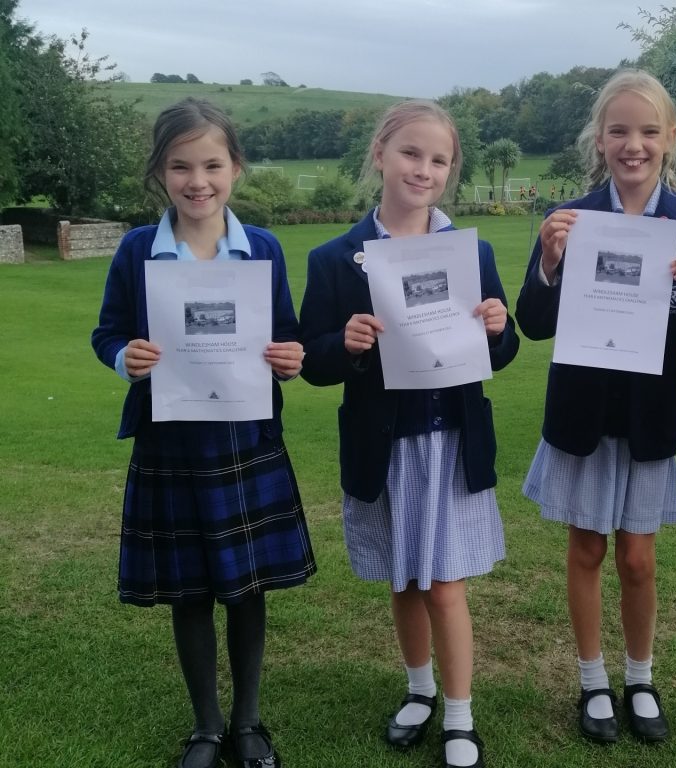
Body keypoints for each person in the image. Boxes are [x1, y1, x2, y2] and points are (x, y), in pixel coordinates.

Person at [91, 97, 316, 768]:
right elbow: (108, 332)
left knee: (245, 589)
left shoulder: (263, 248)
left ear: (236, 168)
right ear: (161, 172)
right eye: (181, 166)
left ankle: (249, 724)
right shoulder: (138, 250)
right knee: (189, 591)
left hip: (245, 442)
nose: (198, 181)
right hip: (171, 444)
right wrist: (122, 357)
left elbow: (287, 336)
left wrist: (292, 358)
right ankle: (206, 727)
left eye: (212, 165)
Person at [298, 100, 519, 768]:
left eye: (439, 159)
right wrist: (349, 342)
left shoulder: (468, 251)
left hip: (449, 439)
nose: (424, 169)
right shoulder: (338, 258)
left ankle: (459, 716)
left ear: (450, 171)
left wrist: (496, 325)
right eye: (411, 154)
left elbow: (501, 351)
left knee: (444, 583)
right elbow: (312, 359)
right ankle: (418, 689)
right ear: (380, 155)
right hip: (382, 442)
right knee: (404, 578)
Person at [515, 69, 676, 745]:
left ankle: (640, 677)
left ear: (668, 138)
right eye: (618, 131)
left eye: (647, 131)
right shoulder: (571, 219)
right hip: (582, 411)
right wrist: (549, 262)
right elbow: (534, 322)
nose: (632, 145)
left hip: (649, 416)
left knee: (638, 557)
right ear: (599, 140)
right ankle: (592, 683)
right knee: (585, 549)